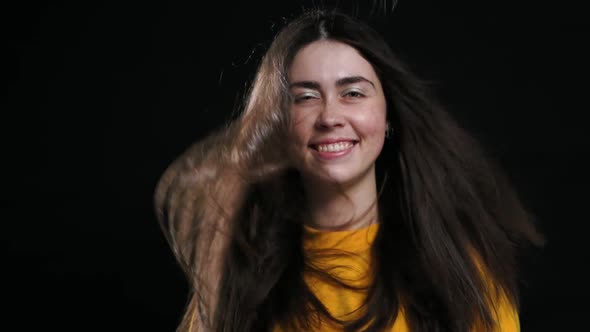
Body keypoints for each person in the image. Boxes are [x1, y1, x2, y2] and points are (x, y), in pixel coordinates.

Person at [154, 9, 544, 332]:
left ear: (388, 115)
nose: (329, 117)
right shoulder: (239, 274)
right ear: (277, 126)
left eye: (352, 93)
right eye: (304, 98)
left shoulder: (459, 270)